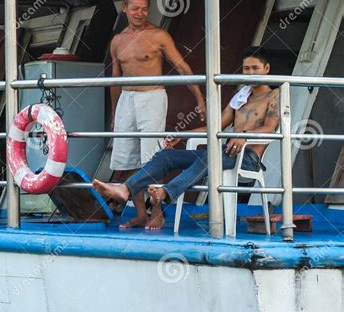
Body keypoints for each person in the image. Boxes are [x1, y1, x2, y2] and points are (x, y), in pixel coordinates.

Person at [95, 45, 278, 232]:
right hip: (224, 152)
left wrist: (243, 136)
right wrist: (183, 135)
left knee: (211, 156)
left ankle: (165, 193)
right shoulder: (241, 96)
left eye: (255, 68)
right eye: (246, 68)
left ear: (267, 69)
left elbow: (270, 128)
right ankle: (125, 189)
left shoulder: (275, 95)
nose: (250, 73)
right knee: (166, 156)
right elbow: (215, 127)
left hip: (248, 158)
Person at [109, 0, 206, 231]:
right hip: (126, 100)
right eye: (135, 8)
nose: (140, 13)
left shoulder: (158, 35)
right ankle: (141, 213)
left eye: (144, 8)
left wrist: (199, 97)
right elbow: (115, 80)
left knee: (152, 158)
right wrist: (114, 113)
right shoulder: (117, 40)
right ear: (125, 8)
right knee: (127, 160)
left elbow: (182, 66)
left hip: (152, 96)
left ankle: (157, 212)